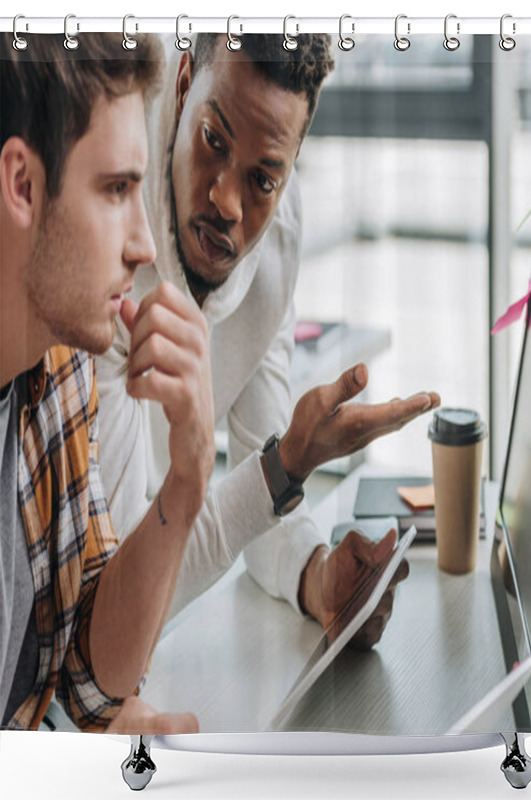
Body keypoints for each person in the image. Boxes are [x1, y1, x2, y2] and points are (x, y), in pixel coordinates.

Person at [96, 32, 440, 646]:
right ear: (181, 83)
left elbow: (263, 506)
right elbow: (113, 602)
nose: (227, 201)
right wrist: (285, 466)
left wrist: (320, 578)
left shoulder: (277, 235)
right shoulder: (109, 230)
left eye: (261, 180)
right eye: (213, 141)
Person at [0, 33, 211, 733]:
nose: (146, 245)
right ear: (23, 186)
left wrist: (188, 478)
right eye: (117, 189)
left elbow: (90, 681)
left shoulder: (60, 368)